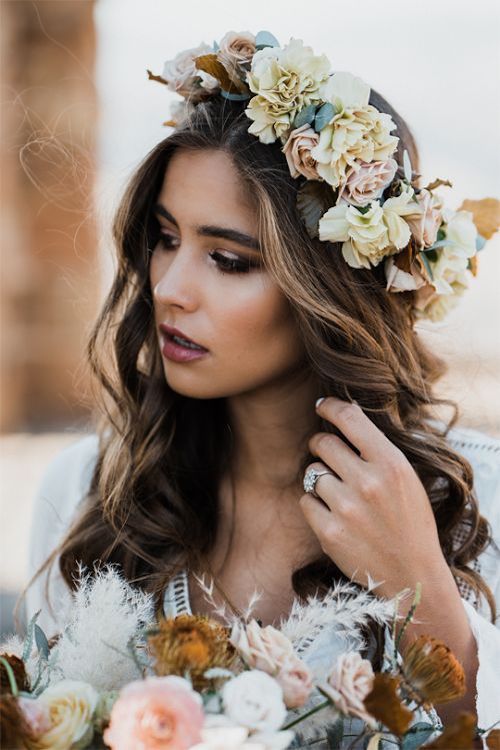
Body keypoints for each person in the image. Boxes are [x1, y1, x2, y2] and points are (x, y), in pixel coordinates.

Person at [18, 31, 500, 747]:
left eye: (228, 259)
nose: (170, 289)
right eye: (163, 237)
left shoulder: (479, 493)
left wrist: (422, 589)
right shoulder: (90, 492)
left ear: (331, 286)